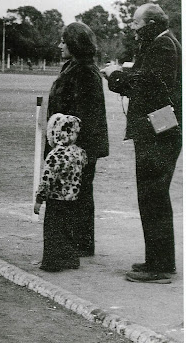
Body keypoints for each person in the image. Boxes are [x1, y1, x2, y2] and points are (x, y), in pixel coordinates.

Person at [101, 3, 181, 283]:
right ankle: (159, 261)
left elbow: (147, 84)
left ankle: (158, 267)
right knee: (152, 196)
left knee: (153, 196)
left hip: (159, 133)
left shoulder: (163, 47)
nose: (132, 30)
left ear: (151, 24)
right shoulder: (163, 44)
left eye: (136, 24)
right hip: (158, 130)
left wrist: (115, 76)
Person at [45, 22, 109, 257]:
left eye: (63, 41)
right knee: (80, 192)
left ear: (74, 43)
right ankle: (81, 242)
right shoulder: (73, 66)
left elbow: (83, 115)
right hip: (73, 143)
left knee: (77, 192)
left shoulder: (85, 71)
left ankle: (78, 243)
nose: (59, 45)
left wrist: (69, 148)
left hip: (79, 145)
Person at [34, 113, 88, 272]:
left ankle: (51, 262)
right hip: (72, 199)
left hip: (56, 199)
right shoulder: (79, 153)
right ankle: (71, 258)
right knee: (68, 230)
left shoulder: (54, 155)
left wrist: (39, 198)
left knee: (52, 231)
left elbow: (47, 179)